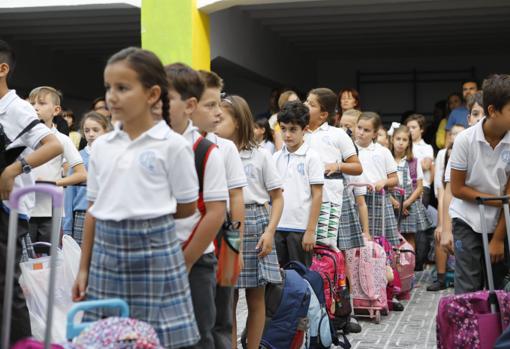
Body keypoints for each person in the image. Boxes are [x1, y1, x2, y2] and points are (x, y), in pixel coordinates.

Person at [72, 47, 200, 348]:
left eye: (123, 88)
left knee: (157, 339)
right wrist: (83, 268)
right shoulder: (102, 147)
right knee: (109, 338)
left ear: (153, 94)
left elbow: (188, 206)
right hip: (106, 251)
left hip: (155, 253)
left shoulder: (173, 146)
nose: (111, 97)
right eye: (109, 88)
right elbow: (94, 209)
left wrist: (149, 221)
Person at [0, 39, 63, 345]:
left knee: (4, 287)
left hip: (6, 211)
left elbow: (53, 145)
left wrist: (14, 169)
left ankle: (21, 342)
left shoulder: (15, 107)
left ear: (2, 69)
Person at [165, 62, 228, 349]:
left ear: (188, 105)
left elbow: (216, 213)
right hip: (152, 258)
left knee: (197, 336)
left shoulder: (205, 151)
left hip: (194, 260)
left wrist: (185, 260)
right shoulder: (144, 144)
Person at [217, 95, 283, 349]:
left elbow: (277, 198)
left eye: (221, 118)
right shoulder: (216, 152)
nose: (215, 121)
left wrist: (270, 231)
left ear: (238, 121)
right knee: (227, 298)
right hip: (225, 222)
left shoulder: (260, 156)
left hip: (256, 221)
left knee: (256, 297)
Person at [197, 69, 247, 349]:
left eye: (219, 105)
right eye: (211, 104)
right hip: (191, 232)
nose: (217, 112)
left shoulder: (225, 147)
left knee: (223, 309)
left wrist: (234, 247)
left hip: (223, 235)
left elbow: (236, 199)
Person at [447, 74, 510, 294]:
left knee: (499, 285)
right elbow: (457, 188)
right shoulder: (466, 139)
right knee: (468, 286)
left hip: (502, 220)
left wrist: (499, 239)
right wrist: (498, 202)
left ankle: (497, 328)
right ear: (492, 111)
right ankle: (467, 328)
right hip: (467, 219)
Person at [304, 88, 362, 248]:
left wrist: (337, 166)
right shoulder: (298, 132)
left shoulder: (337, 134)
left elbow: (357, 167)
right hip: (302, 194)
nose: (304, 105)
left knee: (329, 245)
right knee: (305, 243)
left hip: (330, 194)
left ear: (323, 114)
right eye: (306, 101)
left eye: (311, 104)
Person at [28, 86, 87, 243]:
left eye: (41, 103)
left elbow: (81, 174)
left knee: (49, 261)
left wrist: (53, 183)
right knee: (19, 260)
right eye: (32, 103)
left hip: (51, 209)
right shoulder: (20, 136)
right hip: (22, 208)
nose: (35, 107)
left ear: (56, 110)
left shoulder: (63, 139)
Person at [273, 100, 324, 267]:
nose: (287, 135)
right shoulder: (275, 157)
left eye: (293, 129)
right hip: (277, 227)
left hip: (300, 229)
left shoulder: (312, 157)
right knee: (279, 281)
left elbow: (317, 195)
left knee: (301, 279)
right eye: (284, 129)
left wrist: (310, 230)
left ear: (305, 129)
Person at [63, 112, 111, 245]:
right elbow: (69, 193)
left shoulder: (114, 157)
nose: (91, 134)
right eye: (87, 130)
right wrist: (67, 226)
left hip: (107, 213)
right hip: (82, 214)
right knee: (79, 258)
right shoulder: (78, 158)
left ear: (106, 131)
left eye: (96, 130)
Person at [427, 123, 465, 291]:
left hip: (464, 202)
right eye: (454, 134)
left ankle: (462, 276)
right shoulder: (443, 154)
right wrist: (442, 223)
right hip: (448, 201)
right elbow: (442, 188)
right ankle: (441, 278)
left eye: (460, 134)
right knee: (439, 233)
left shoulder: (467, 148)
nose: (456, 137)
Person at [355, 112, 399, 245]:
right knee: (360, 243)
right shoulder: (349, 150)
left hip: (379, 199)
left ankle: (387, 266)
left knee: (384, 244)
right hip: (356, 199)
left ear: (375, 133)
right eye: (359, 127)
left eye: (366, 130)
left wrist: (384, 181)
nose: (361, 132)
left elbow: (395, 179)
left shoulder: (382, 151)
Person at [389, 125, 424, 251]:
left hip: (409, 202)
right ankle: (394, 268)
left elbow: (419, 187)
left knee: (409, 236)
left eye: (404, 140)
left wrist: (406, 203)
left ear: (409, 143)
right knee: (390, 236)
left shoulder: (413, 161)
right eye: (398, 139)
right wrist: (395, 203)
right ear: (392, 139)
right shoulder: (387, 159)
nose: (401, 143)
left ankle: (409, 266)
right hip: (391, 201)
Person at [405, 114, 435, 207]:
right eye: (408, 127)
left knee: (421, 218)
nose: (410, 130)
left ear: (421, 129)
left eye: (413, 127)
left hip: (422, 187)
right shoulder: (403, 145)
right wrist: (417, 164)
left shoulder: (427, 147)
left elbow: (426, 166)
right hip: (404, 187)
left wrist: (407, 163)